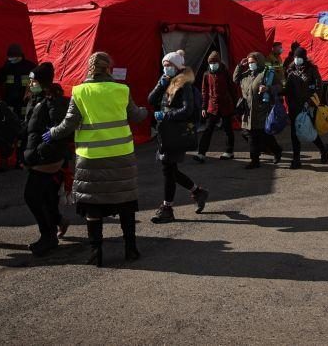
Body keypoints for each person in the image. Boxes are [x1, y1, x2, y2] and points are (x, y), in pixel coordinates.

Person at [41, 52, 147, 267]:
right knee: (125, 203)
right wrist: (145, 111)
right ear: (109, 68)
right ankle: (131, 248)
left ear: (89, 68)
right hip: (121, 156)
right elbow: (136, 115)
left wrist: (52, 133)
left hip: (91, 158)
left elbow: (69, 124)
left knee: (93, 207)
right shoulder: (121, 90)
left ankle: (95, 251)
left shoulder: (80, 92)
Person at [148, 51, 209, 224]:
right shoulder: (166, 81)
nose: (166, 68)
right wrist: (161, 85)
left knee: (168, 170)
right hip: (165, 132)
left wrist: (165, 116)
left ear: (177, 67)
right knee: (170, 170)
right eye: (164, 65)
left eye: (169, 66)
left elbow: (187, 110)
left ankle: (167, 208)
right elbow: (151, 99)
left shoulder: (185, 84)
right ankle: (198, 192)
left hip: (176, 133)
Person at [22, 62, 71, 257]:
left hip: (46, 159)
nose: (30, 82)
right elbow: (31, 126)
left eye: (33, 79)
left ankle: (48, 235)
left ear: (40, 81)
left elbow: (58, 131)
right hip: (39, 156)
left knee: (32, 196)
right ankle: (58, 221)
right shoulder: (37, 99)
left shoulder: (54, 101)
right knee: (47, 196)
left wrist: (38, 152)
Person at [284, 47, 328, 169]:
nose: (297, 59)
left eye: (299, 57)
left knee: (309, 130)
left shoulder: (312, 70)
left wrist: (310, 102)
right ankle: (296, 159)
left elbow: (319, 88)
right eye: (295, 57)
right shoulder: (291, 70)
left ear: (304, 58)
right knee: (294, 134)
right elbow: (287, 89)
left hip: (307, 106)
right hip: (293, 106)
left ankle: (323, 149)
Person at [237, 52, 283, 169]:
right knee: (248, 133)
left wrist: (268, 88)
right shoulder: (247, 74)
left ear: (259, 62)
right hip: (248, 110)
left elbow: (280, 86)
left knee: (262, 134)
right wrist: (240, 66)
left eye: (253, 62)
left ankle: (271, 152)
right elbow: (235, 79)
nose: (250, 64)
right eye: (249, 62)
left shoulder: (267, 73)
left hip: (261, 109)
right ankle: (259, 157)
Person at [0, 43, 35, 170]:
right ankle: (5, 159)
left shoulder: (30, 67)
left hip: (24, 104)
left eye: (13, 57)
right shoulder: (7, 67)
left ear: (19, 56)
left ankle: (21, 160)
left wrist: (32, 97)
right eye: (9, 57)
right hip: (9, 104)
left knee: (23, 131)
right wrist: (3, 70)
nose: (11, 59)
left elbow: (36, 85)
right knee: (7, 131)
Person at [196, 51, 236, 162]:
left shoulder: (225, 72)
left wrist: (235, 104)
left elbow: (232, 89)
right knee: (208, 129)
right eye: (210, 62)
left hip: (226, 105)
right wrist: (204, 107)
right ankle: (201, 153)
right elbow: (204, 92)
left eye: (214, 62)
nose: (213, 64)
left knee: (228, 129)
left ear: (219, 62)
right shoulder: (206, 74)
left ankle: (229, 151)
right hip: (212, 106)